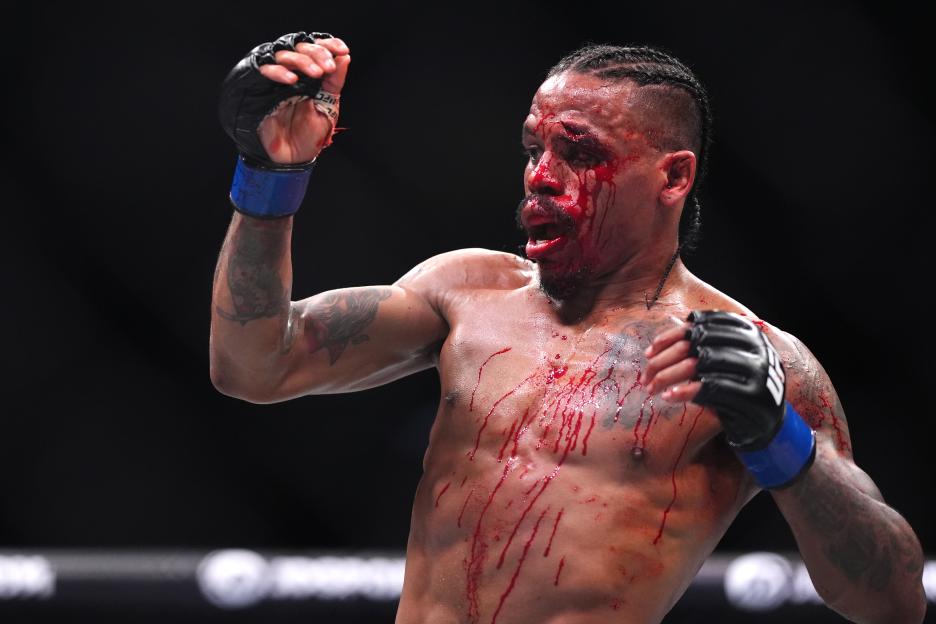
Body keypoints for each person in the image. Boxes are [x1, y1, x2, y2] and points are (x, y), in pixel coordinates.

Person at [209, 32, 926, 624]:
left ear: (673, 178)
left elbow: (891, 599)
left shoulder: (748, 357)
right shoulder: (466, 292)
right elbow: (254, 364)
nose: (541, 176)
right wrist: (270, 179)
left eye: (579, 152)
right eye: (533, 148)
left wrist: (779, 438)